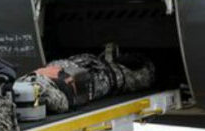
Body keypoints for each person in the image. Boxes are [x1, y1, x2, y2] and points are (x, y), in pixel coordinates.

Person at [21, 44, 155, 115]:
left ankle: (139, 65)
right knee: (122, 78)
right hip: (85, 76)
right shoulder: (30, 86)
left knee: (118, 76)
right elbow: (62, 104)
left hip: (77, 70)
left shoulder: (27, 86)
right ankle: (146, 66)